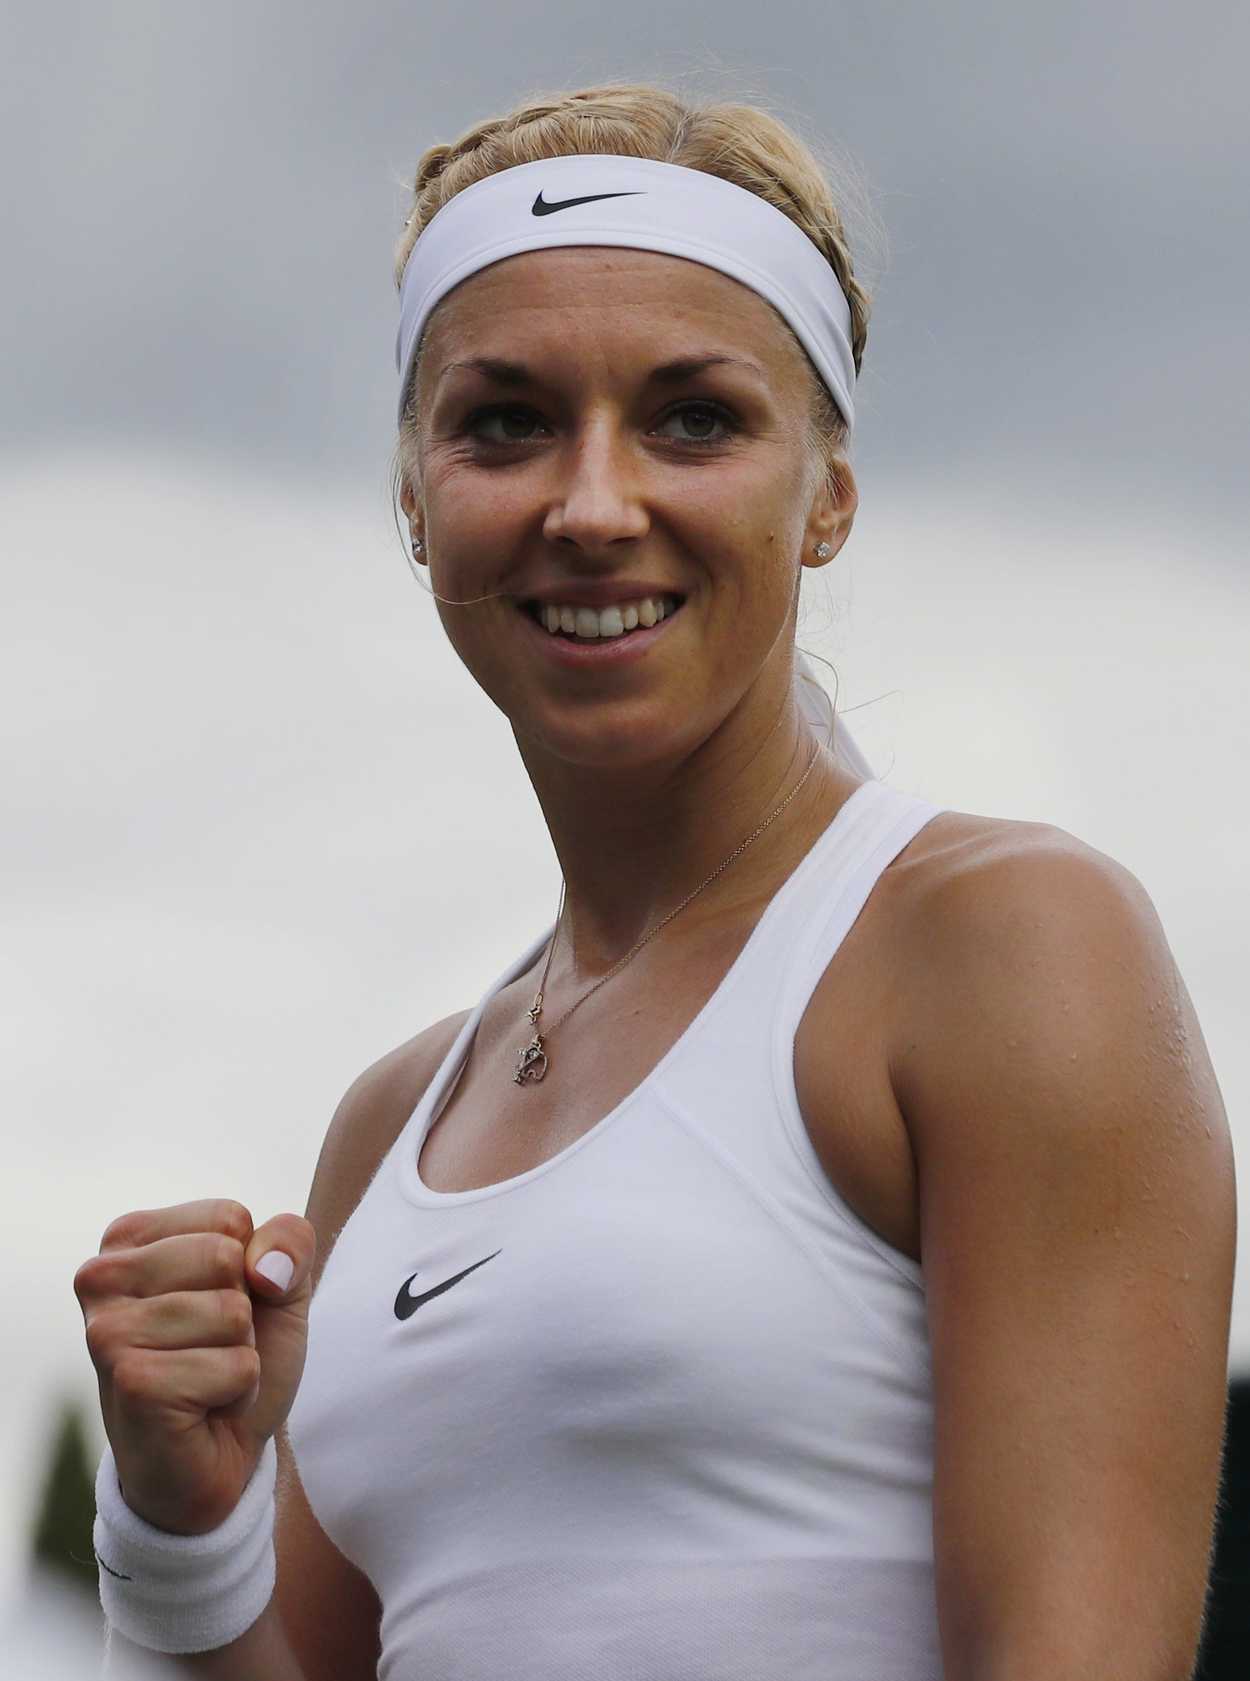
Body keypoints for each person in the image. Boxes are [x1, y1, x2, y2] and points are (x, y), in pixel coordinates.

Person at [74, 82, 1236, 1681]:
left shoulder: (1003, 941)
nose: (592, 505)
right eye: (505, 422)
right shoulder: (388, 1125)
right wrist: (180, 1532)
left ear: (825, 493)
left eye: (693, 418)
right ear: (414, 497)